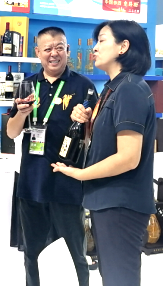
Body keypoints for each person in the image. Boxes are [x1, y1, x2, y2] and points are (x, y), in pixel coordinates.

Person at [52, 20, 156, 286]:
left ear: (123, 46)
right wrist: (89, 123)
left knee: (119, 278)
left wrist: (80, 174)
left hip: (121, 204)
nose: (95, 48)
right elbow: (104, 143)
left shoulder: (130, 89)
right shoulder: (113, 89)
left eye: (102, 40)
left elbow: (128, 157)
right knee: (112, 275)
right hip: (108, 201)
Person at [7, 27, 98, 286]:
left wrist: (86, 121)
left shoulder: (83, 86)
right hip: (32, 182)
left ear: (67, 50)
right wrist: (22, 113)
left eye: (59, 47)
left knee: (76, 254)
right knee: (32, 254)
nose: (54, 53)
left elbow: (95, 136)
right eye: (47, 48)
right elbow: (12, 132)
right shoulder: (27, 85)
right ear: (38, 52)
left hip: (67, 182)